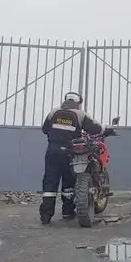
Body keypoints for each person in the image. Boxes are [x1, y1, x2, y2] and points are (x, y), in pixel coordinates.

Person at [40, 91, 101, 224]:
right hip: (69, 151)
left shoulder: (53, 112)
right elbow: (94, 129)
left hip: (52, 150)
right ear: (78, 103)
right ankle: (67, 212)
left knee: (50, 181)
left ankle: (46, 216)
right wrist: (104, 130)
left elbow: (45, 129)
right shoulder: (80, 114)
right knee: (69, 182)